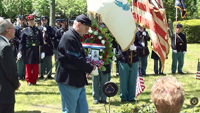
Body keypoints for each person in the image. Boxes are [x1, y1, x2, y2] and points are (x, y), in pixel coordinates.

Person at [54, 14, 98, 113]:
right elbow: (76, 59)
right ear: (78, 24)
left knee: (82, 110)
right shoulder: (69, 37)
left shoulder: (75, 36)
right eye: (86, 28)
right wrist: (91, 69)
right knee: (70, 110)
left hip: (77, 80)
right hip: (69, 80)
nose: (87, 31)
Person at [0, 17, 20, 113]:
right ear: (7, 31)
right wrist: (16, 84)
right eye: (13, 29)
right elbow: (11, 72)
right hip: (4, 94)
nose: (14, 30)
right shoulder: (5, 47)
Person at [18, 15, 45, 86]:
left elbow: (41, 42)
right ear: (28, 22)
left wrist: (43, 51)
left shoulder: (38, 30)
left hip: (36, 49)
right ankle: (28, 80)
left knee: (35, 66)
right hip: (28, 50)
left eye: (32, 20)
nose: (31, 22)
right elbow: (22, 42)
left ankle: (34, 80)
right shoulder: (25, 31)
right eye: (30, 21)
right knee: (28, 66)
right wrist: (20, 51)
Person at [116, 32, 143, 102]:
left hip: (134, 60)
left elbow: (141, 47)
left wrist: (135, 48)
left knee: (133, 80)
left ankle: (131, 97)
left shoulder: (135, 35)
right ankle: (123, 97)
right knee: (123, 81)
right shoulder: (120, 35)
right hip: (124, 60)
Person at [13, 14, 27, 80]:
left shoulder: (27, 27)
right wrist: (20, 42)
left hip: (26, 47)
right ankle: (19, 74)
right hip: (17, 47)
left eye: (23, 20)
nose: (22, 21)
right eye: (21, 20)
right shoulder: (15, 28)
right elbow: (13, 38)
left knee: (25, 60)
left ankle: (25, 74)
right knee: (19, 61)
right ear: (18, 20)